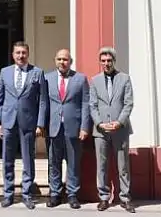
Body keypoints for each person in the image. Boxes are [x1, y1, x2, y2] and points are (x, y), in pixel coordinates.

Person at [0, 41, 48, 209]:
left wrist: (40, 123)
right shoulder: (4, 72)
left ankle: (27, 194)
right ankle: (8, 194)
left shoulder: (37, 73)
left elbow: (43, 101)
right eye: (18, 53)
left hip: (28, 122)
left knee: (28, 159)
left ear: (28, 54)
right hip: (8, 121)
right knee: (7, 159)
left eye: (23, 53)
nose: (21, 56)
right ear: (13, 54)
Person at [89, 47, 136, 213]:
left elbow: (128, 103)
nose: (106, 63)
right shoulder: (95, 81)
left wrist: (119, 122)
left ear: (114, 61)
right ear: (100, 62)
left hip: (120, 129)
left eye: (109, 60)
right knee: (101, 165)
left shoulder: (125, 79)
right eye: (103, 61)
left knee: (123, 166)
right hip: (101, 131)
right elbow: (92, 105)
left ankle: (125, 198)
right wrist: (99, 123)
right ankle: (103, 197)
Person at [46, 49, 91, 208]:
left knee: (73, 162)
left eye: (65, 59)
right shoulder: (47, 78)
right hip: (53, 127)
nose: (62, 62)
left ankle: (72, 194)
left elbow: (86, 104)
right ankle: (55, 194)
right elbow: (43, 103)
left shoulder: (80, 79)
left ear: (70, 62)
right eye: (59, 59)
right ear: (55, 60)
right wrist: (41, 125)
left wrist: (84, 127)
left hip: (74, 128)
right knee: (54, 162)